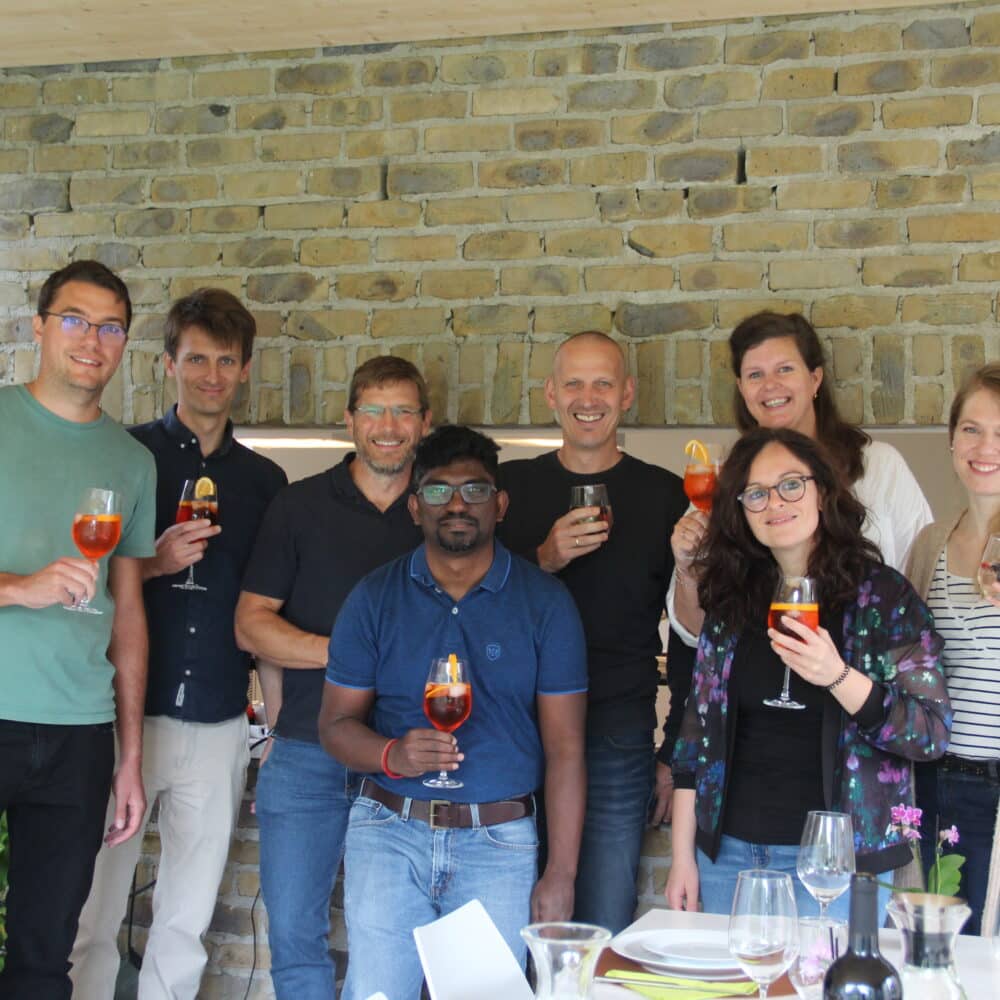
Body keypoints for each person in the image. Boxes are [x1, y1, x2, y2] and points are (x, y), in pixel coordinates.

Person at [70, 289, 287, 999]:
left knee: (185, 923)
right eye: (196, 359)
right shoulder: (124, 454)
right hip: (120, 717)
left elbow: (267, 613)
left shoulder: (265, 482)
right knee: (92, 912)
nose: (211, 375)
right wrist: (152, 562)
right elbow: (79, 579)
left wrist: (277, 725)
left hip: (221, 721)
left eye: (225, 361)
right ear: (169, 363)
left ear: (245, 369)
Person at [320, 425, 587, 1000]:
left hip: (500, 841)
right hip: (388, 833)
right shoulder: (374, 597)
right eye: (439, 491)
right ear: (415, 506)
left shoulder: (546, 603)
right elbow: (335, 727)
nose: (458, 504)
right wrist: (392, 754)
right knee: (378, 995)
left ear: (500, 504)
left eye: (475, 489)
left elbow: (566, 748)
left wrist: (561, 873)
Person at [665, 427, 951, 919]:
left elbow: (929, 732)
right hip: (728, 858)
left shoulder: (883, 598)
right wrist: (682, 858)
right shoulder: (732, 599)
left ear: (822, 491)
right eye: (756, 493)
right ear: (740, 509)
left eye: (791, 484)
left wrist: (837, 676)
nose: (775, 502)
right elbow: (695, 739)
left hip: (841, 864)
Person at [234, 356, 431, 998]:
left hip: (407, 757)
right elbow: (251, 626)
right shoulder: (299, 506)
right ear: (349, 420)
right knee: (295, 938)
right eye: (373, 410)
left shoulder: (443, 508)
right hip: (306, 751)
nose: (388, 426)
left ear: (425, 422)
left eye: (403, 411)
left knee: (398, 942)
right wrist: (344, 655)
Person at [497, 330, 689, 933]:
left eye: (603, 383)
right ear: (550, 394)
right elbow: (467, 606)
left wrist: (675, 750)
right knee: (504, 916)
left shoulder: (665, 495)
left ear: (626, 394)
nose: (588, 398)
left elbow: (692, 635)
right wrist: (543, 560)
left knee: (601, 919)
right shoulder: (507, 489)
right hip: (512, 728)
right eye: (574, 383)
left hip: (616, 732)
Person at [0, 261, 156, 998]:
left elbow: (128, 613)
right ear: (38, 326)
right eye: (74, 320)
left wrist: (130, 757)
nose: (92, 340)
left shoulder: (131, 461)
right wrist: (19, 588)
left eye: (110, 327)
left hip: (79, 738)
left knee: (44, 958)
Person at [671, 310, 932, 645]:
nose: (770, 385)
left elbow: (922, 580)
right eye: (755, 374)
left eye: (785, 369)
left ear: (815, 378)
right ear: (742, 389)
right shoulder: (728, 480)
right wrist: (687, 566)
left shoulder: (881, 465)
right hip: (762, 663)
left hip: (868, 662)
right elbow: (696, 632)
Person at [907, 363, 1000, 935]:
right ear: (951, 440)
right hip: (936, 783)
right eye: (972, 429)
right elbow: (903, 666)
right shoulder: (930, 545)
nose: (986, 448)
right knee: (940, 950)